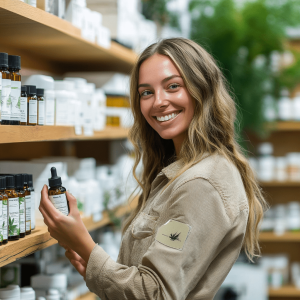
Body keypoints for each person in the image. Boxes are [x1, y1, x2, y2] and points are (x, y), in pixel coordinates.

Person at [39, 38, 267, 300]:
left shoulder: (200, 184)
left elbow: (154, 294)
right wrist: (99, 270)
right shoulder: (184, 167)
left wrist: (85, 245)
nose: (158, 102)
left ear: (202, 89)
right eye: (146, 92)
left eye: (173, 86)